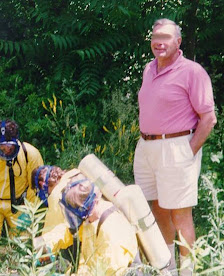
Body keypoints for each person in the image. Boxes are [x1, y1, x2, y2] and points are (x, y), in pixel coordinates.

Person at [134, 18, 216, 275]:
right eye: (155, 37)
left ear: (178, 42)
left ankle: (188, 271)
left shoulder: (192, 71)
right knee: (157, 208)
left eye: (166, 37)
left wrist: (188, 151)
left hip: (177, 147)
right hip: (147, 147)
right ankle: (167, 266)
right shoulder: (149, 69)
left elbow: (209, 118)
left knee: (180, 214)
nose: (159, 42)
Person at [35, 169, 138, 275]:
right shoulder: (90, 217)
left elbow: (104, 272)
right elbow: (68, 232)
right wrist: (44, 244)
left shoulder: (111, 233)